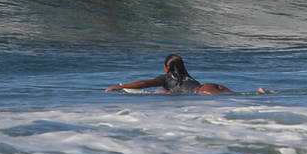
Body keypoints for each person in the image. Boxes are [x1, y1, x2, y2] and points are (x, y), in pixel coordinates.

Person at [105, 53, 266, 95]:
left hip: (202, 91)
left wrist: (120, 86)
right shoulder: (187, 76)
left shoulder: (167, 78)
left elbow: (145, 83)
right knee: (239, 95)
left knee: (238, 97)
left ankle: (258, 93)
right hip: (208, 86)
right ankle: (259, 92)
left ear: (167, 69)